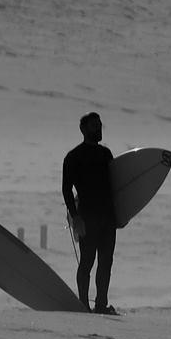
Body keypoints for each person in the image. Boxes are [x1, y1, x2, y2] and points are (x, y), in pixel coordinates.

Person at [62, 111, 117, 314]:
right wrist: (75, 217)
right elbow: (66, 190)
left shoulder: (106, 154)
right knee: (87, 261)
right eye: (95, 126)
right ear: (83, 130)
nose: (99, 128)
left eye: (100, 125)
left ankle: (101, 304)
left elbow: (118, 187)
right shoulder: (74, 157)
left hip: (108, 217)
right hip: (87, 216)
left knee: (106, 261)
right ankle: (83, 305)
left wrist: (122, 215)